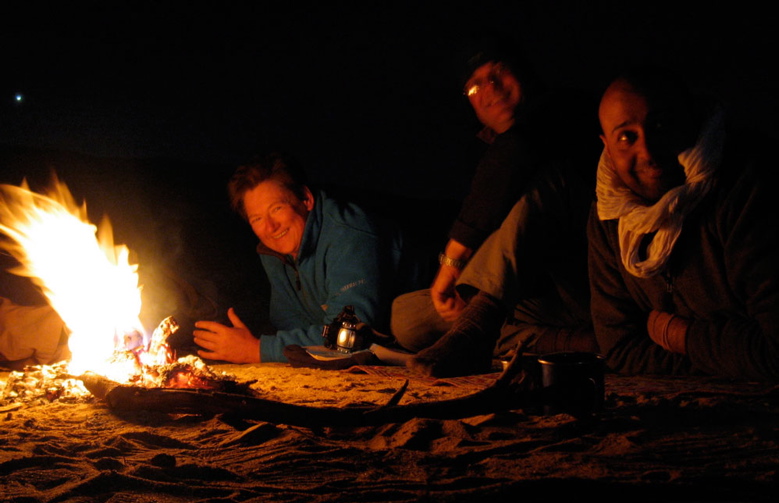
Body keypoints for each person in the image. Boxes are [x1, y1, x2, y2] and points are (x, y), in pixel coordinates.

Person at [391, 35, 598, 359]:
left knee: (540, 187)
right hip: (526, 298)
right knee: (406, 317)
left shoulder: (564, 113)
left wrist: (451, 264)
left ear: (523, 72)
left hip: (584, 287)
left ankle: (487, 328)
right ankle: (575, 343)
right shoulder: (484, 154)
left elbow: (517, 150)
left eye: (498, 72)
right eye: (474, 86)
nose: (490, 88)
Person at [588, 68, 779, 380]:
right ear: (607, 146)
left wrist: (674, 334)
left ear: (692, 121)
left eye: (661, 126)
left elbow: (774, 349)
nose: (648, 151)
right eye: (626, 137)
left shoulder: (745, 190)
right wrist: (727, 356)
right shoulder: (609, 215)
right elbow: (620, 348)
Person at [193, 152, 418, 364]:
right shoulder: (275, 253)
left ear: (306, 199)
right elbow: (290, 324)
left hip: (413, 337)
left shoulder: (350, 236)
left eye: (277, 208)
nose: (270, 227)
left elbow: (347, 335)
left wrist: (257, 349)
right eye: (257, 219)